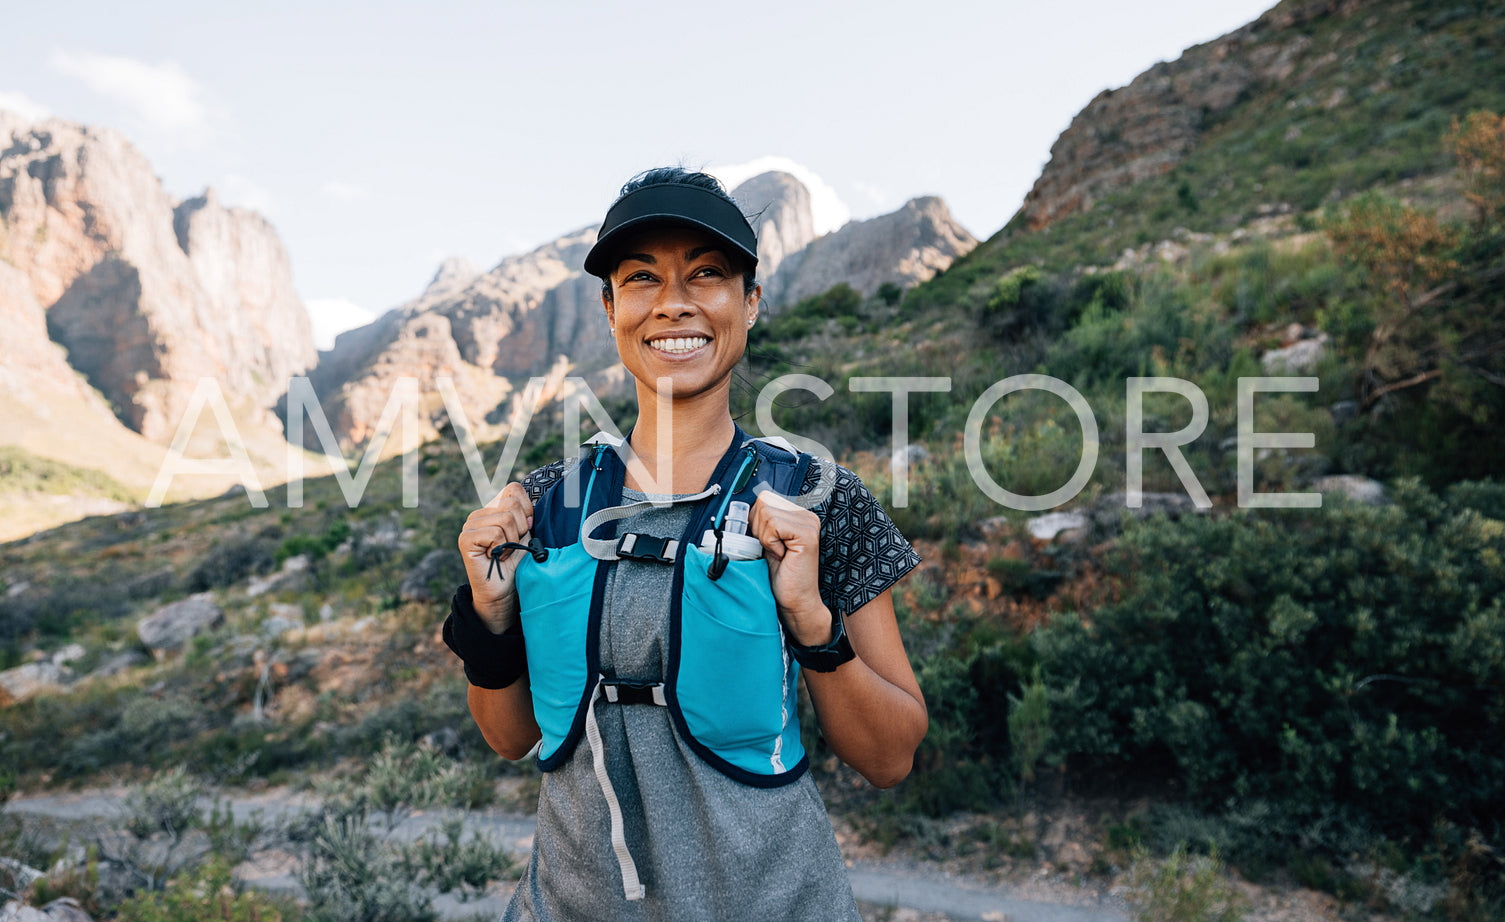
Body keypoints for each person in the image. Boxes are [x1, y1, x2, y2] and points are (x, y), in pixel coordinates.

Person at [444, 167, 928, 921]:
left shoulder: (818, 498)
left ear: (750, 302)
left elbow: (890, 756)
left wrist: (811, 621)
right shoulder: (541, 505)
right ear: (610, 309)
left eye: (707, 274)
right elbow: (509, 738)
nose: (674, 301)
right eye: (642, 278)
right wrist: (488, 614)